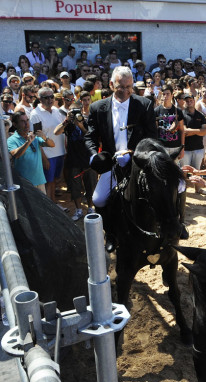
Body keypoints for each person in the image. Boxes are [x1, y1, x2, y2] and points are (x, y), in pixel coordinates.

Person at [84, 66, 158, 252]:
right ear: (111, 84)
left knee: (163, 192)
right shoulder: (97, 108)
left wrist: (133, 153)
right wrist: (95, 155)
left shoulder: (144, 104)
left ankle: (172, 226)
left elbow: (151, 137)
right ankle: (110, 233)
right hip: (112, 164)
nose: (125, 91)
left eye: (129, 87)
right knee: (99, 200)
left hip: (139, 162)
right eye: (120, 87)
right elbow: (90, 137)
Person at [54, 103, 97, 221]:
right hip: (73, 160)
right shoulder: (68, 124)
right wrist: (66, 120)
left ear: (82, 110)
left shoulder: (87, 121)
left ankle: (90, 208)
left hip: (88, 160)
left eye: (77, 111)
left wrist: (81, 126)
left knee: (91, 185)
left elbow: (92, 137)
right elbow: (56, 132)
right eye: (73, 111)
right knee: (75, 187)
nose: (75, 113)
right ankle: (78, 210)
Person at [29, 87, 67, 209]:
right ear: (40, 99)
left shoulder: (56, 110)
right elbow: (36, 138)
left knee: (55, 180)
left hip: (60, 151)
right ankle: (51, 207)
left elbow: (62, 130)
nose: (50, 100)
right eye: (46, 97)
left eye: (52, 97)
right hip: (48, 154)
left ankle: (54, 204)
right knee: (49, 182)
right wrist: (44, 158)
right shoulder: (35, 114)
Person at [8, 112, 55, 194]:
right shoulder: (12, 140)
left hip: (40, 180)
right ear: (15, 124)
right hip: (24, 184)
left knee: (42, 206)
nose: (26, 124)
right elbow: (16, 154)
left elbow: (52, 144)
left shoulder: (34, 136)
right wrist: (28, 142)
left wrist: (44, 137)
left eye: (27, 120)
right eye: (22, 121)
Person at [180, 94, 206, 194]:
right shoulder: (181, 114)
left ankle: (198, 189)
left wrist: (192, 131)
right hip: (185, 148)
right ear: (184, 102)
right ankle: (183, 190)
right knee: (184, 171)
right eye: (187, 100)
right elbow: (184, 131)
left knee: (197, 171)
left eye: (191, 100)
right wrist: (198, 131)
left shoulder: (200, 115)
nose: (189, 102)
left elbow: (205, 131)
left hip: (198, 148)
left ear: (194, 100)